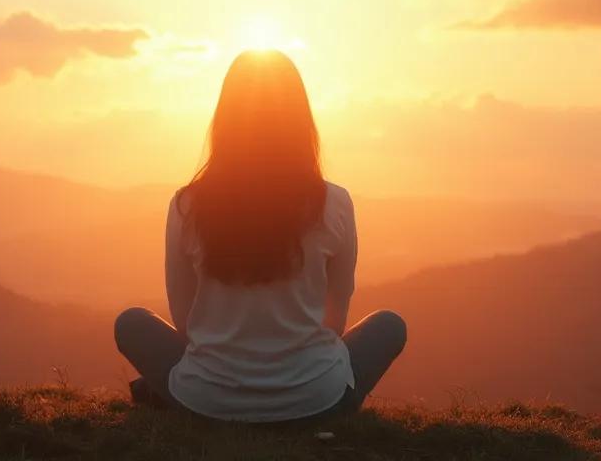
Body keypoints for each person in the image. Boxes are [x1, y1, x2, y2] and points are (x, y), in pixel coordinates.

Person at [113, 49, 407, 423]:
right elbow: (335, 323)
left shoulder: (187, 205)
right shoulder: (335, 203)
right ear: (301, 121)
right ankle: (302, 393)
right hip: (317, 403)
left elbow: (186, 323)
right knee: (388, 326)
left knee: (132, 323)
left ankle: (173, 389)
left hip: (207, 403)